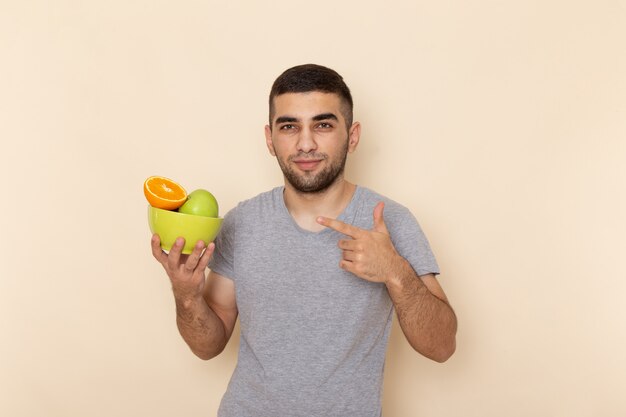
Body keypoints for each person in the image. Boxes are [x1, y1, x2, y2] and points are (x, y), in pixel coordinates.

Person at [151, 64, 457, 417]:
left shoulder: (390, 221)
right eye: (289, 126)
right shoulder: (242, 221)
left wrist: (395, 272)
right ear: (270, 139)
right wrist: (186, 295)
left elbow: (442, 346)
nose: (306, 143)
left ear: (352, 136)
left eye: (323, 125)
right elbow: (209, 346)